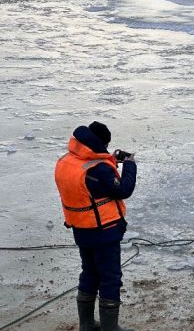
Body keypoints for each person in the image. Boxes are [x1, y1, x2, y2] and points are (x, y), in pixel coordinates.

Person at [54, 121, 136, 331]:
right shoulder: (97, 169)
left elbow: (92, 185)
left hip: (81, 230)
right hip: (104, 232)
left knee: (89, 273)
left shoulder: (68, 161)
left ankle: (87, 324)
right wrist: (130, 164)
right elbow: (123, 189)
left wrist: (108, 160)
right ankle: (110, 328)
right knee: (110, 278)